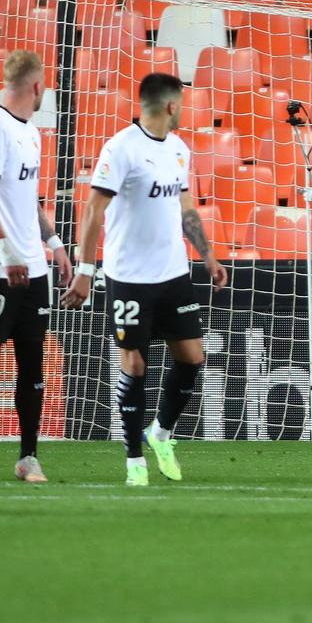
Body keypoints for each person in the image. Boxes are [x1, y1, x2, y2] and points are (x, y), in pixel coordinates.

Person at [59, 73, 229, 486]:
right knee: (134, 364)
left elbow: (186, 207)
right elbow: (93, 211)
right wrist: (86, 270)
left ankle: (161, 434)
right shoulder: (121, 149)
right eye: (182, 103)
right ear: (171, 106)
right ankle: (134, 459)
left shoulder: (178, 149)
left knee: (193, 358)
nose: (184, 110)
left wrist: (207, 255)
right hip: (130, 277)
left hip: (173, 273)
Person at [0, 51, 72, 484]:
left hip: (33, 270)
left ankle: (28, 457)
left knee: (32, 365)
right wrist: (6, 253)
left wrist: (55, 244)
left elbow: (28, 201)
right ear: (38, 86)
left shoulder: (31, 133)